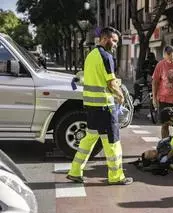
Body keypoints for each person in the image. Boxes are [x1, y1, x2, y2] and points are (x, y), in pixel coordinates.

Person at [67, 27, 133, 185]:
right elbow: (110, 82)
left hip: (91, 106)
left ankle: (75, 171)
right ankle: (116, 176)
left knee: (89, 139)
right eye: (114, 41)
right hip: (104, 107)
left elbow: (92, 78)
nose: (116, 44)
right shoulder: (106, 56)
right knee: (113, 142)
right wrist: (121, 96)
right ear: (105, 39)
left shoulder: (91, 55)